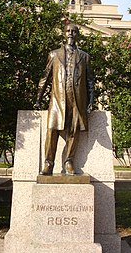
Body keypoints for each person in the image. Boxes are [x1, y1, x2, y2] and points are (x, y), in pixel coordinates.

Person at [34, 23, 94, 175]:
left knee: (74, 131)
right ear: (64, 33)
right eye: (68, 31)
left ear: (77, 34)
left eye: (74, 31)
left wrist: (91, 101)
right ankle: (48, 163)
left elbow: (89, 81)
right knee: (52, 131)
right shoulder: (54, 55)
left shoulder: (84, 56)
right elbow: (45, 78)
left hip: (77, 101)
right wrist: (38, 99)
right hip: (57, 101)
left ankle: (69, 161)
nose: (70, 34)